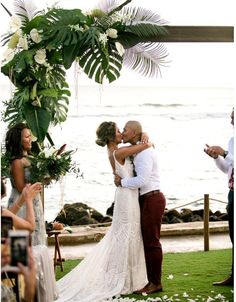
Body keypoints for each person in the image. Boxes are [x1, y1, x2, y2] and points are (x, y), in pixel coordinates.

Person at [55, 121, 152, 302]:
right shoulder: (119, 152)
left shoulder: (115, 151)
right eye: (118, 131)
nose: (121, 133)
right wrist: (145, 135)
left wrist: (143, 133)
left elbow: (141, 145)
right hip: (126, 197)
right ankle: (123, 279)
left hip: (126, 194)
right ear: (110, 136)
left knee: (127, 235)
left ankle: (128, 278)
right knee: (127, 234)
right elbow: (146, 145)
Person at [114, 120, 166, 294]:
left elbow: (142, 180)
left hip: (152, 198)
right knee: (148, 241)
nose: (123, 132)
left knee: (152, 242)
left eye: (126, 130)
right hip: (146, 198)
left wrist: (122, 182)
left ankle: (155, 282)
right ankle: (151, 280)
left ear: (134, 133)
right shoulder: (138, 149)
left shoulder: (143, 153)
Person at [1, 178, 58, 301]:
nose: (4, 181)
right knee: (41, 251)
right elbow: (30, 227)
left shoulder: (3, 213)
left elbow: (7, 216)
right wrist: (28, 201)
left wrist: (21, 199)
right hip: (7, 262)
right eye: (2, 180)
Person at [204, 108, 234, 286]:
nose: (231, 122)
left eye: (233, 118)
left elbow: (231, 158)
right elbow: (228, 169)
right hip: (232, 193)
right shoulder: (232, 140)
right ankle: (234, 276)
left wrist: (225, 153)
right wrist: (217, 158)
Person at [5, 123, 46, 245]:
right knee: (25, 239)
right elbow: (20, 188)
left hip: (33, 200)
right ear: (19, 140)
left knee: (37, 236)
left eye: (30, 136)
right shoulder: (17, 162)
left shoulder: (30, 158)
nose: (30, 140)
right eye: (27, 137)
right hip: (22, 202)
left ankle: (35, 263)